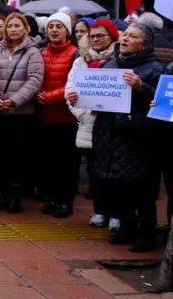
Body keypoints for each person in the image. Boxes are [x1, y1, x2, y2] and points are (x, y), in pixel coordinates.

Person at [92, 24, 163, 252]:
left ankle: (147, 233)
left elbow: (162, 103)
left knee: (140, 188)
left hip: (136, 136)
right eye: (125, 35)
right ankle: (126, 227)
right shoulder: (110, 65)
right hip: (109, 133)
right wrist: (80, 98)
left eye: (132, 36)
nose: (124, 39)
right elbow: (97, 97)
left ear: (144, 44)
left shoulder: (154, 69)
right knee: (117, 185)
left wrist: (142, 87)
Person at [0, 12, 44, 214]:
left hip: (22, 113)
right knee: (1, 155)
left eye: (17, 26)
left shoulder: (33, 52)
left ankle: (15, 197)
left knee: (18, 156)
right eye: (10, 26)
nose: (13, 30)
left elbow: (34, 80)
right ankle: (3, 193)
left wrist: (14, 101)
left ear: (26, 29)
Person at [66, 19, 119, 230]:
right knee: (95, 170)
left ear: (112, 37)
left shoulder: (119, 59)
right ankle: (101, 210)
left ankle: (117, 212)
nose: (96, 39)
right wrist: (81, 112)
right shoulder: (81, 61)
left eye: (101, 35)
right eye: (93, 36)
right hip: (90, 123)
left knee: (116, 171)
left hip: (115, 125)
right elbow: (70, 89)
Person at [37, 10, 79, 218]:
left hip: (66, 117)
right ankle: (52, 197)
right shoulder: (42, 52)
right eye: (51, 27)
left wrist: (49, 97)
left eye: (59, 27)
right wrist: (37, 94)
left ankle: (65, 201)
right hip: (45, 116)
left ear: (67, 31)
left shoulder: (75, 53)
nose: (54, 30)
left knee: (66, 163)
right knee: (48, 161)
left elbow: (74, 85)